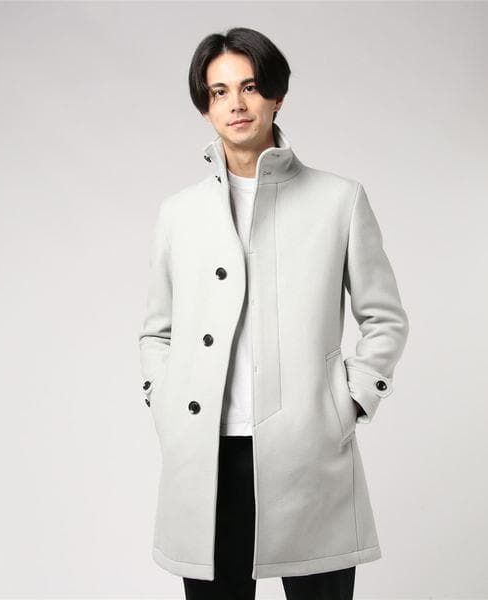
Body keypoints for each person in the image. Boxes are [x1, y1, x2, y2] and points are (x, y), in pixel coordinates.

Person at [139, 27, 409, 600]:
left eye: (250, 87)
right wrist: (165, 402)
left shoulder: (339, 199)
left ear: (277, 96)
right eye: (219, 92)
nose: (236, 104)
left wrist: (349, 402)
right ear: (205, 106)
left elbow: (384, 316)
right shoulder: (179, 214)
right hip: (208, 457)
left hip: (308, 452)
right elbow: (156, 332)